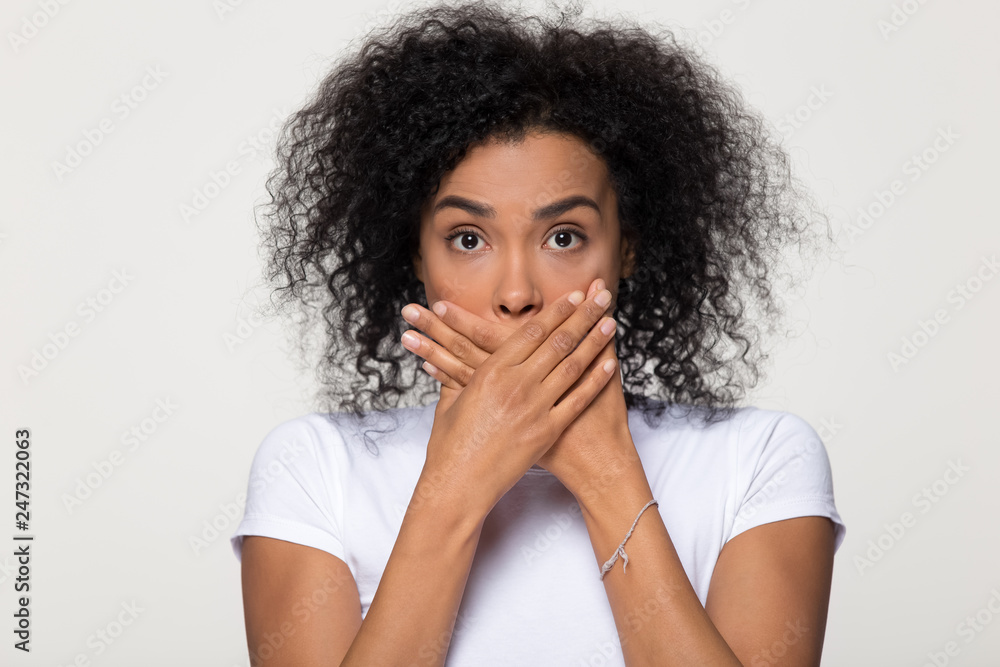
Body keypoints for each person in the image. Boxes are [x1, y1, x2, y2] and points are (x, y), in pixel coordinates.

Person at [230, 1, 846, 665]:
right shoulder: (316, 467)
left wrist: (605, 468)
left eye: (563, 236)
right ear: (415, 255)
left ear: (627, 249)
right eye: (468, 238)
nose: (518, 293)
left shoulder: (758, 459)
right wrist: (459, 479)